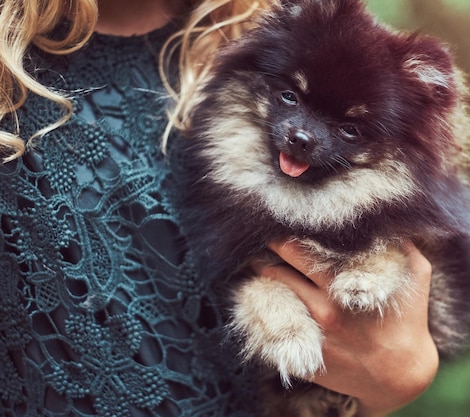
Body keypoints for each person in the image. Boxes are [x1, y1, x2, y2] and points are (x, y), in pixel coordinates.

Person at [0, 0, 439, 416]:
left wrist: (397, 378)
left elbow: (369, 366)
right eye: (289, 99)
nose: (304, 135)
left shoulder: (265, 22)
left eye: (346, 128)